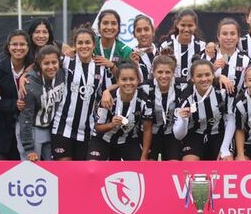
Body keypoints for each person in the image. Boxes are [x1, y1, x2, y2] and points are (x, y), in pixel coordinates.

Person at [51, 26, 112, 161]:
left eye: (87, 42)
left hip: (85, 131)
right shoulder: (66, 61)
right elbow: (45, 56)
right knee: (65, 171)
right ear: (74, 45)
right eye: (80, 43)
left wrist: (107, 91)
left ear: (94, 44)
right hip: (62, 127)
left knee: (80, 176)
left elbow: (114, 85)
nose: (84, 46)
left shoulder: (100, 66)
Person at [173, 60, 235, 161]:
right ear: (192, 78)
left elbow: (231, 120)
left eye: (207, 75)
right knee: (189, 165)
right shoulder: (186, 96)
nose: (204, 79)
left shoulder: (224, 90)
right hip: (195, 134)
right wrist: (184, 120)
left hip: (220, 134)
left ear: (213, 75)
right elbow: (178, 135)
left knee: (226, 162)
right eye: (199, 76)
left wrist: (224, 149)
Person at [89, 62, 152, 161]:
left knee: (136, 170)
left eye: (132, 79)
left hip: (128, 141)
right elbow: (97, 128)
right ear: (117, 81)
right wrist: (111, 125)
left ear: (138, 80)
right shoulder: (108, 98)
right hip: (103, 140)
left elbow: (147, 129)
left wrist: (144, 156)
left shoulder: (144, 100)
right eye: (124, 79)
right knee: (93, 166)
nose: (128, 83)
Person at [0, 30, 31, 160]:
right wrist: (14, 104)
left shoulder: (35, 66)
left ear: (28, 47)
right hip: (3, 132)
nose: (18, 48)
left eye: (22, 44)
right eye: (14, 44)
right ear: (8, 46)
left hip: (29, 130)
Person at [18, 45, 65, 161]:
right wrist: (29, 148)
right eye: (46, 63)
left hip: (49, 129)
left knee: (51, 169)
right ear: (39, 64)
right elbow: (26, 119)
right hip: (31, 130)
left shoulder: (62, 74)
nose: (51, 67)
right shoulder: (29, 86)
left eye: (54, 62)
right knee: (31, 170)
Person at [140, 55, 188, 161]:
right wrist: (107, 91)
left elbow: (202, 83)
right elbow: (122, 86)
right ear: (153, 72)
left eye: (168, 72)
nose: (164, 76)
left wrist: (221, 77)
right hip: (152, 134)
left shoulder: (183, 85)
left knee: (173, 166)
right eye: (160, 72)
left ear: (173, 73)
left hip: (173, 134)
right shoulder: (145, 87)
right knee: (150, 167)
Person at [201, 18, 251, 95]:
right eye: (224, 34)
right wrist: (212, 69)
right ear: (218, 36)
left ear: (238, 37)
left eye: (232, 34)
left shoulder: (246, 60)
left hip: (234, 106)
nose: (228, 37)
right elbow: (196, 82)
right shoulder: (207, 56)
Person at [158, 9, 206, 79]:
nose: (186, 29)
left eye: (190, 25)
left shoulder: (202, 46)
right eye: (183, 25)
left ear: (195, 26)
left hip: (194, 88)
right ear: (177, 24)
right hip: (171, 88)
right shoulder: (165, 45)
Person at [94, 9, 133, 78]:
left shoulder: (126, 51)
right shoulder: (90, 44)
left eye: (114, 23)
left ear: (118, 27)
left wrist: (112, 66)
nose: (109, 27)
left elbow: (127, 79)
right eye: (105, 23)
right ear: (99, 26)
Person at [130, 15, 158, 81]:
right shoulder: (130, 55)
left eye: (146, 29)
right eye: (139, 30)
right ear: (134, 34)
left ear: (153, 31)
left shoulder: (161, 52)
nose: (143, 33)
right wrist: (134, 65)